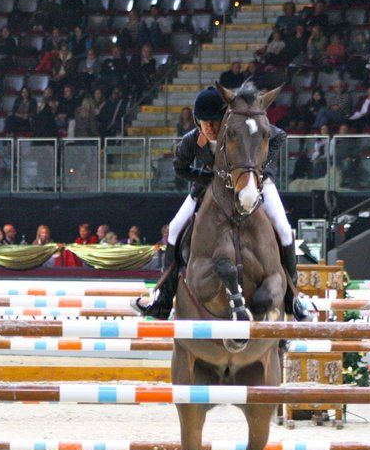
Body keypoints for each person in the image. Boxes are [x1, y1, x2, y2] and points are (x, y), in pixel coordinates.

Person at [132, 85, 308, 320]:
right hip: (210, 188)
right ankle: (164, 298)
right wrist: (205, 178)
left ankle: (293, 297)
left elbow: (278, 136)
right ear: (197, 122)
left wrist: (259, 170)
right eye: (205, 123)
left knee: (284, 229)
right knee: (174, 228)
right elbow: (180, 168)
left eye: (215, 122)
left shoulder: (239, 131)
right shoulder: (192, 140)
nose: (211, 128)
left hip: (255, 184)